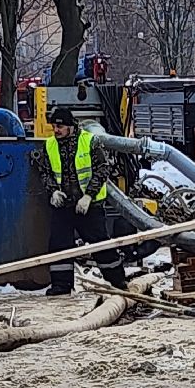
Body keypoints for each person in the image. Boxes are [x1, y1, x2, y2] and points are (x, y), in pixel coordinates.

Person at [42, 107, 127, 296]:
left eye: (60, 127)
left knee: (100, 244)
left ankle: (118, 281)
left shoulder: (89, 141)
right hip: (64, 205)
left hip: (89, 205)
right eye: (54, 126)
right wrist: (53, 191)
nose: (56, 130)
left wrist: (89, 196)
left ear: (71, 126)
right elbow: (46, 172)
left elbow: (103, 169)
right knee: (59, 245)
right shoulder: (50, 145)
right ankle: (61, 285)